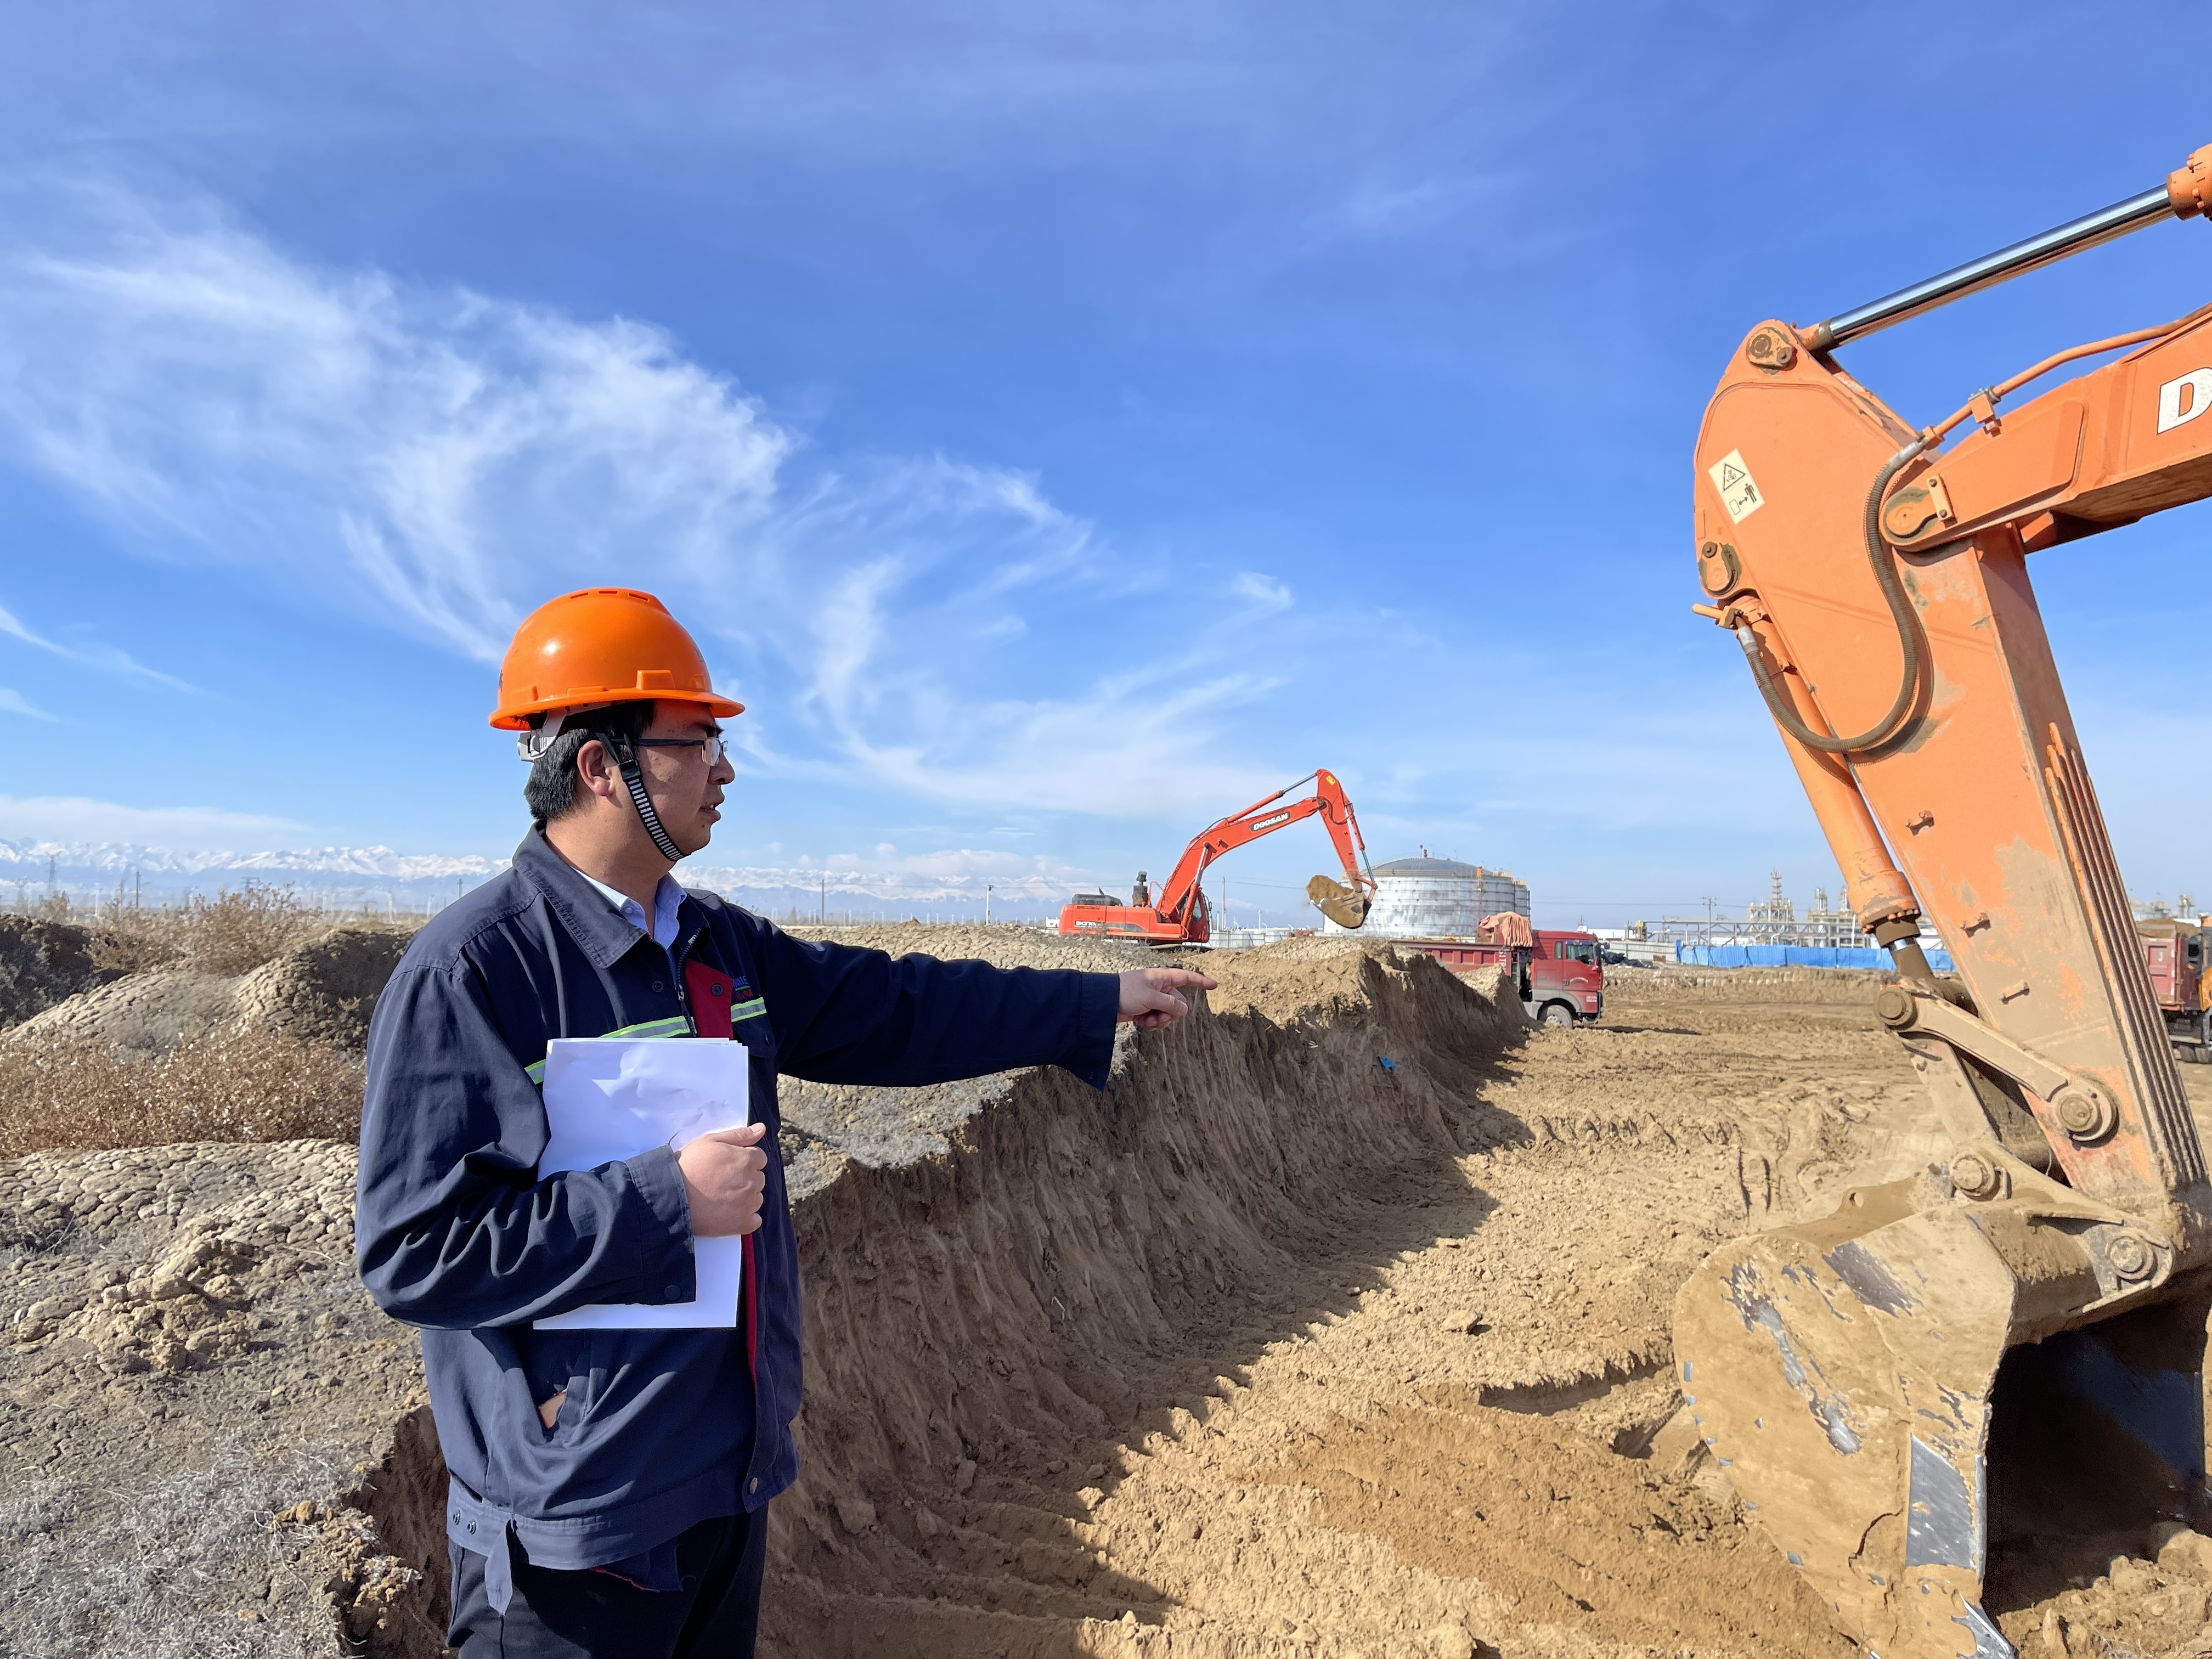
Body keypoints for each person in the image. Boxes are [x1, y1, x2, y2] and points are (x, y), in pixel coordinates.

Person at [354, 587, 1214, 1658]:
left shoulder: (716, 945)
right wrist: (667, 1203)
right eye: (697, 741)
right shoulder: (476, 971)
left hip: (724, 1480)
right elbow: (415, 1251)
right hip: (577, 1527)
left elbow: (897, 1007)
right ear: (601, 765)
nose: (724, 768)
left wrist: (1093, 1000)